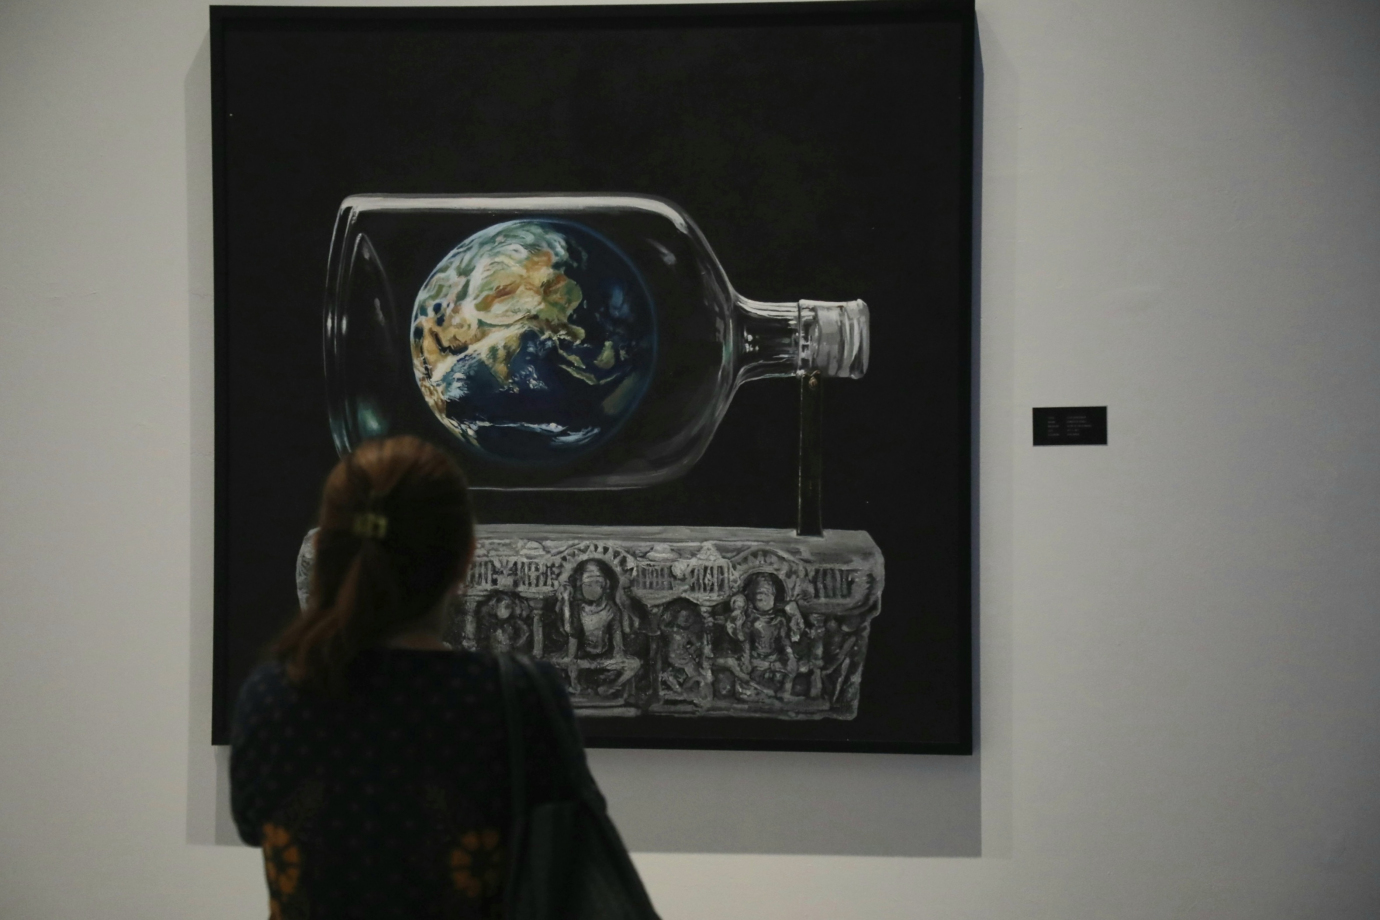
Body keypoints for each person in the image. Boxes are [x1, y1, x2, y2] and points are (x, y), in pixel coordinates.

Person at [230, 436, 581, 920]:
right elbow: (568, 854)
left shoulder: (271, 699)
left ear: (329, 550)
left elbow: (253, 824)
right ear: (465, 559)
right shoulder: (515, 699)